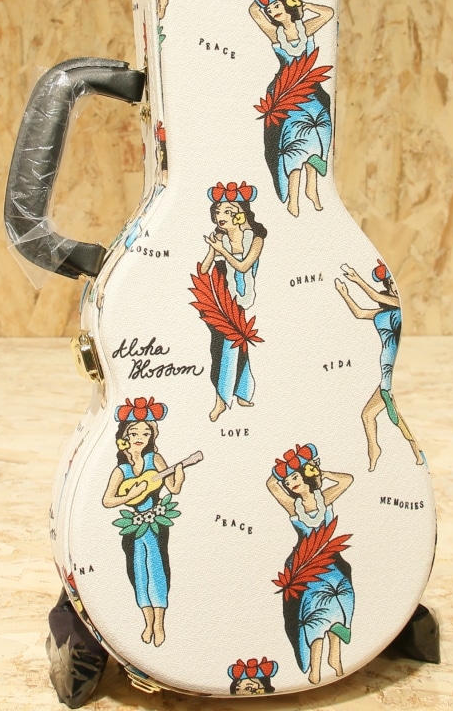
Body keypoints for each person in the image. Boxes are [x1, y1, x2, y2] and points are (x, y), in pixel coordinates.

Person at [266, 445, 354, 684]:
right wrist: (283, 469)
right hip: (305, 565)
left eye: (295, 477)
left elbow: (347, 480)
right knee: (313, 616)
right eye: (288, 482)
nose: (290, 483)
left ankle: (335, 657)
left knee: (338, 607)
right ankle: (315, 669)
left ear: (307, 475)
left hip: (331, 563)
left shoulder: (324, 498)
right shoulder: (292, 505)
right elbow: (272, 485)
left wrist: (321, 472)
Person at [101, 398, 185, 646]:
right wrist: (130, 496)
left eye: (146, 433)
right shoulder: (122, 470)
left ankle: (159, 624)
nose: (140, 437)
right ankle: (147, 622)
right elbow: (107, 500)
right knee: (138, 571)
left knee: (157, 569)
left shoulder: (155, 460)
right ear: (125, 435)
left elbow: (172, 488)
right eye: (135, 432)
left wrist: (179, 478)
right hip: (134, 526)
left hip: (155, 521)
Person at [249, 0, 334, 216]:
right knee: (292, 145)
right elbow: (254, 11)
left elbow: (328, 13)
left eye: (277, 5)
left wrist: (302, 3)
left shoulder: (306, 28)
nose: (273, 11)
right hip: (286, 93)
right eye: (270, 9)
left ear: (288, 3)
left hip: (311, 92)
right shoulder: (275, 33)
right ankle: (293, 199)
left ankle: (312, 189)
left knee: (316, 138)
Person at [335, 261, 425, 470]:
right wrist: (344, 293)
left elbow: (375, 295)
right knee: (368, 415)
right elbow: (359, 313)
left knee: (398, 417)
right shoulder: (383, 312)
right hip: (385, 371)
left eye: (396, 283)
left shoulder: (399, 304)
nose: (394, 287)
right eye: (390, 283)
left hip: (395, 372)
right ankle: (374, 449)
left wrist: (357, 278)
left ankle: (417, 453)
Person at [196, 182, 266, 422]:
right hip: (219, 299)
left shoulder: (255, 239)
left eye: (228, 211)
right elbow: (203, 270)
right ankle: (235, 395)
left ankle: (227, 398)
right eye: (218, 211)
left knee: (234, 345)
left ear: (241, 213)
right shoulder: (220, 238)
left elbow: (244, 266)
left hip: (241, 298)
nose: (221, 216)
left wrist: (222, 251)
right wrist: (211, 249)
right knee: (227, 346)